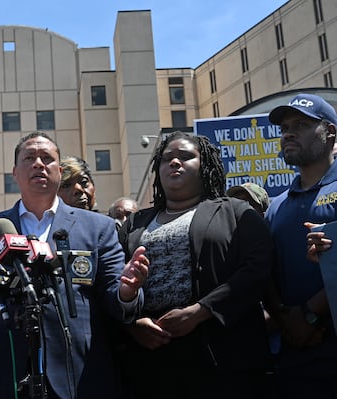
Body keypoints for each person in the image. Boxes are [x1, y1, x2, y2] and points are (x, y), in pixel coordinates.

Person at [0, 131, 148, 399]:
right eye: (29, 158)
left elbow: (114, 296)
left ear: (60, 171)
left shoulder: (97, 228)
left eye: (47, 158)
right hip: (1, 377)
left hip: (78, 376)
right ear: (15, 173)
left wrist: (128, 291)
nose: (38, 164)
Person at [117, 131, 273, 398]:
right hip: (152, 362)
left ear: (206, 166)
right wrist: (134, 323)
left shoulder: (236, 213)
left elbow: (257, 269)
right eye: (167, 159)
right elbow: (111, 281)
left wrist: (200, 311)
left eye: (186, 157)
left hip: (223, 360)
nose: (174, 163)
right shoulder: (135, 223)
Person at [264, 93, 337, 398]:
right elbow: (265, 274)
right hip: (294, 358)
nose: (288, 133)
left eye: (301, 125)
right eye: (284, 128)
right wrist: (285, 318)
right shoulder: (275, 206)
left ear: (330, 132)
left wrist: (308, 313)